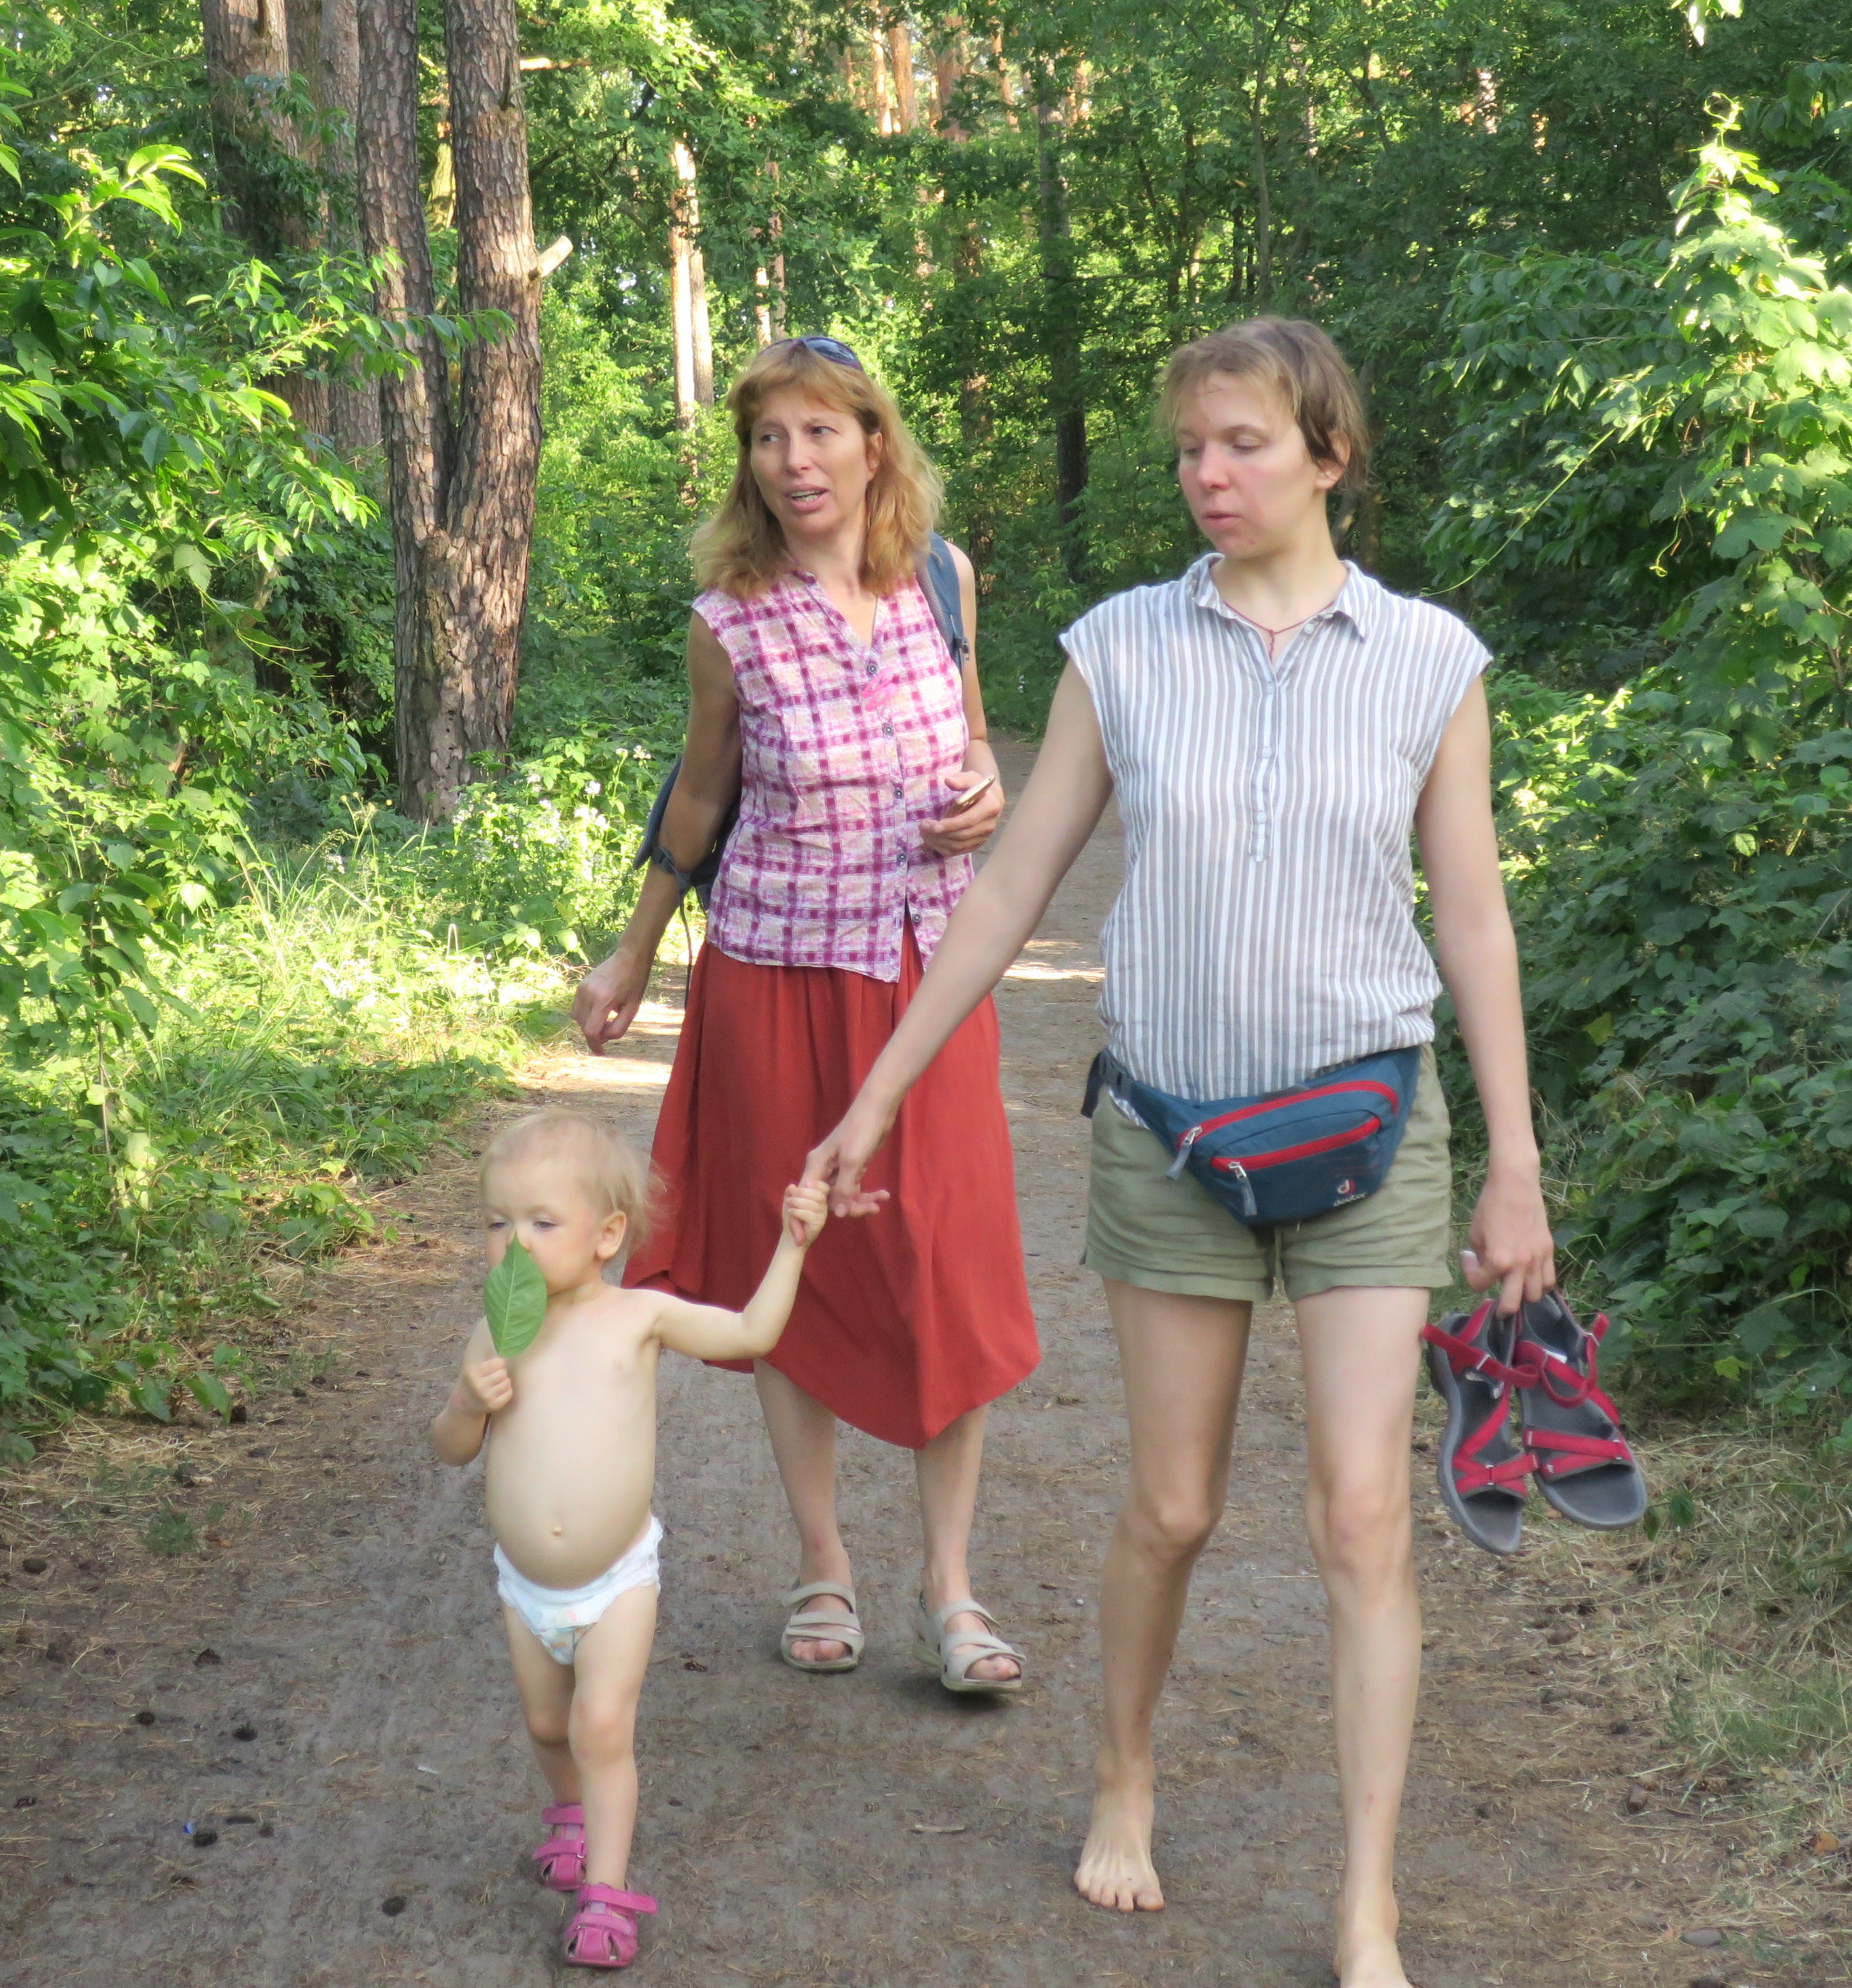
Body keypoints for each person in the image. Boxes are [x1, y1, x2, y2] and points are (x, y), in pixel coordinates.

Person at [803, 317, 1556, 1988]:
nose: (1208, 476)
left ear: (1328, 455)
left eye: (1243, 444)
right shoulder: (1120, 647)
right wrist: (875, 1097)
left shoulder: (1429, 659)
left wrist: (1513, 1159)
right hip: (1167, 1132)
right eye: (1189, 451)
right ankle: (1124, 1774)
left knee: (1362, 1515)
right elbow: (1010, 884)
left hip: (1374, 1125)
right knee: (1170, 1505)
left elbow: (1473, 917)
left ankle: (1365, 1902)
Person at [572, 334, 1036, 1691]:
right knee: (803, 1249)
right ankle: (823, 1562)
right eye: (770, 438)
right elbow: (699, 796)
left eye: (822, 431)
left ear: (874, 444)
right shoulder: (729, 619)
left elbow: (973, 741)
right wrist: (631, 953)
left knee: (943, 1258)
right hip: (774, 972)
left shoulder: (942, 578)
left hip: (927, 974)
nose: (795, 461)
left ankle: (950, 1586)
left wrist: (986, 792)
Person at [431, 1108, 830, 1970]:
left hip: (615, 1582)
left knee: (601, 1724)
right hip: (525, 1586)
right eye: (497, 1222)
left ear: (608, 1235)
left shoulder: (639, 1318)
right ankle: (571, 1816)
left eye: (543, 1222)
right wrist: (466, 1404)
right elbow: (452, 1448)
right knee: (548, 1725)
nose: (514, 1243)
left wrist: (792, 1244)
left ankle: (607, 1893)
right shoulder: (496, 1333)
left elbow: (751, 1333)